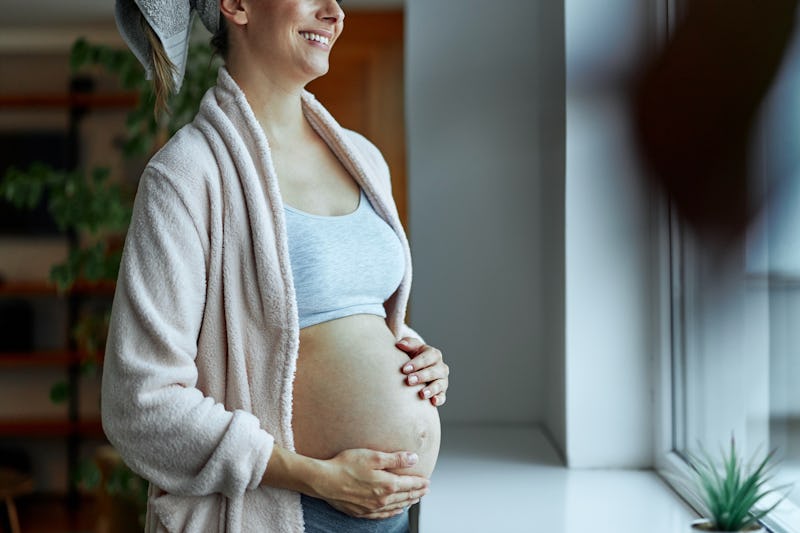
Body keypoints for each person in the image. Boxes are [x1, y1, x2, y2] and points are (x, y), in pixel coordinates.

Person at [101, 1, 449, 532]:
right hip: (288, 514)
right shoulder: (187, 177)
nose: (334, 12)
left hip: (392, 517)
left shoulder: (363, 158)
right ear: (236, 5)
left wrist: (414, 356)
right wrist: (314, 477)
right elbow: (140, 404)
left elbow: (342, 319)